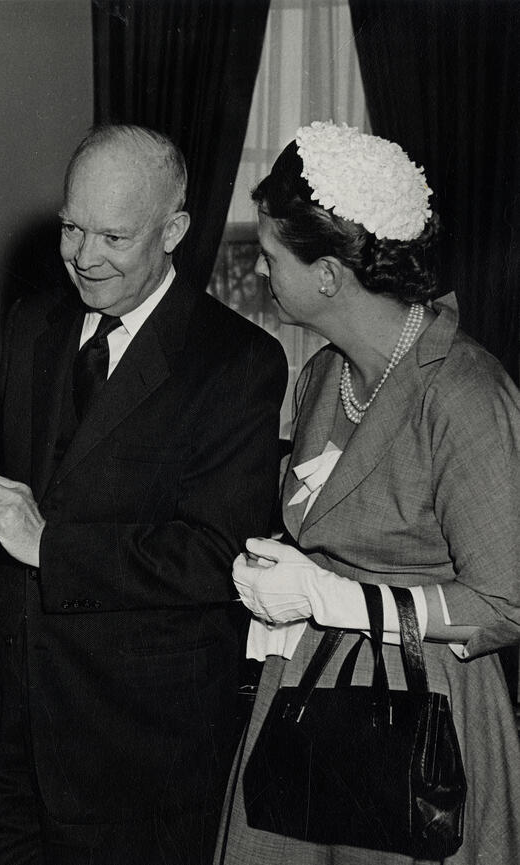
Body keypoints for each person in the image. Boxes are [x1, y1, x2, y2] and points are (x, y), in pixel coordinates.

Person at [0, 124, 288, 864]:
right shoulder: (33, 326)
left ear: (175, 232)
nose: (84, 258)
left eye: (114, 238)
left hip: (133, 756)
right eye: (71, 228)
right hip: (6, 745)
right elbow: (21, 498)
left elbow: (213, 555)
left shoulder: (238, 361)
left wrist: (49, 545)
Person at [222, 121, 520, 864]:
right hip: (308, 694)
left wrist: (325, 597)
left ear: (327, 274)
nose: (261, 273)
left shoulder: (464, 393)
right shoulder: (323, 376)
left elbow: (504, 601)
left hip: (428, 717)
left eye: (270, 258)